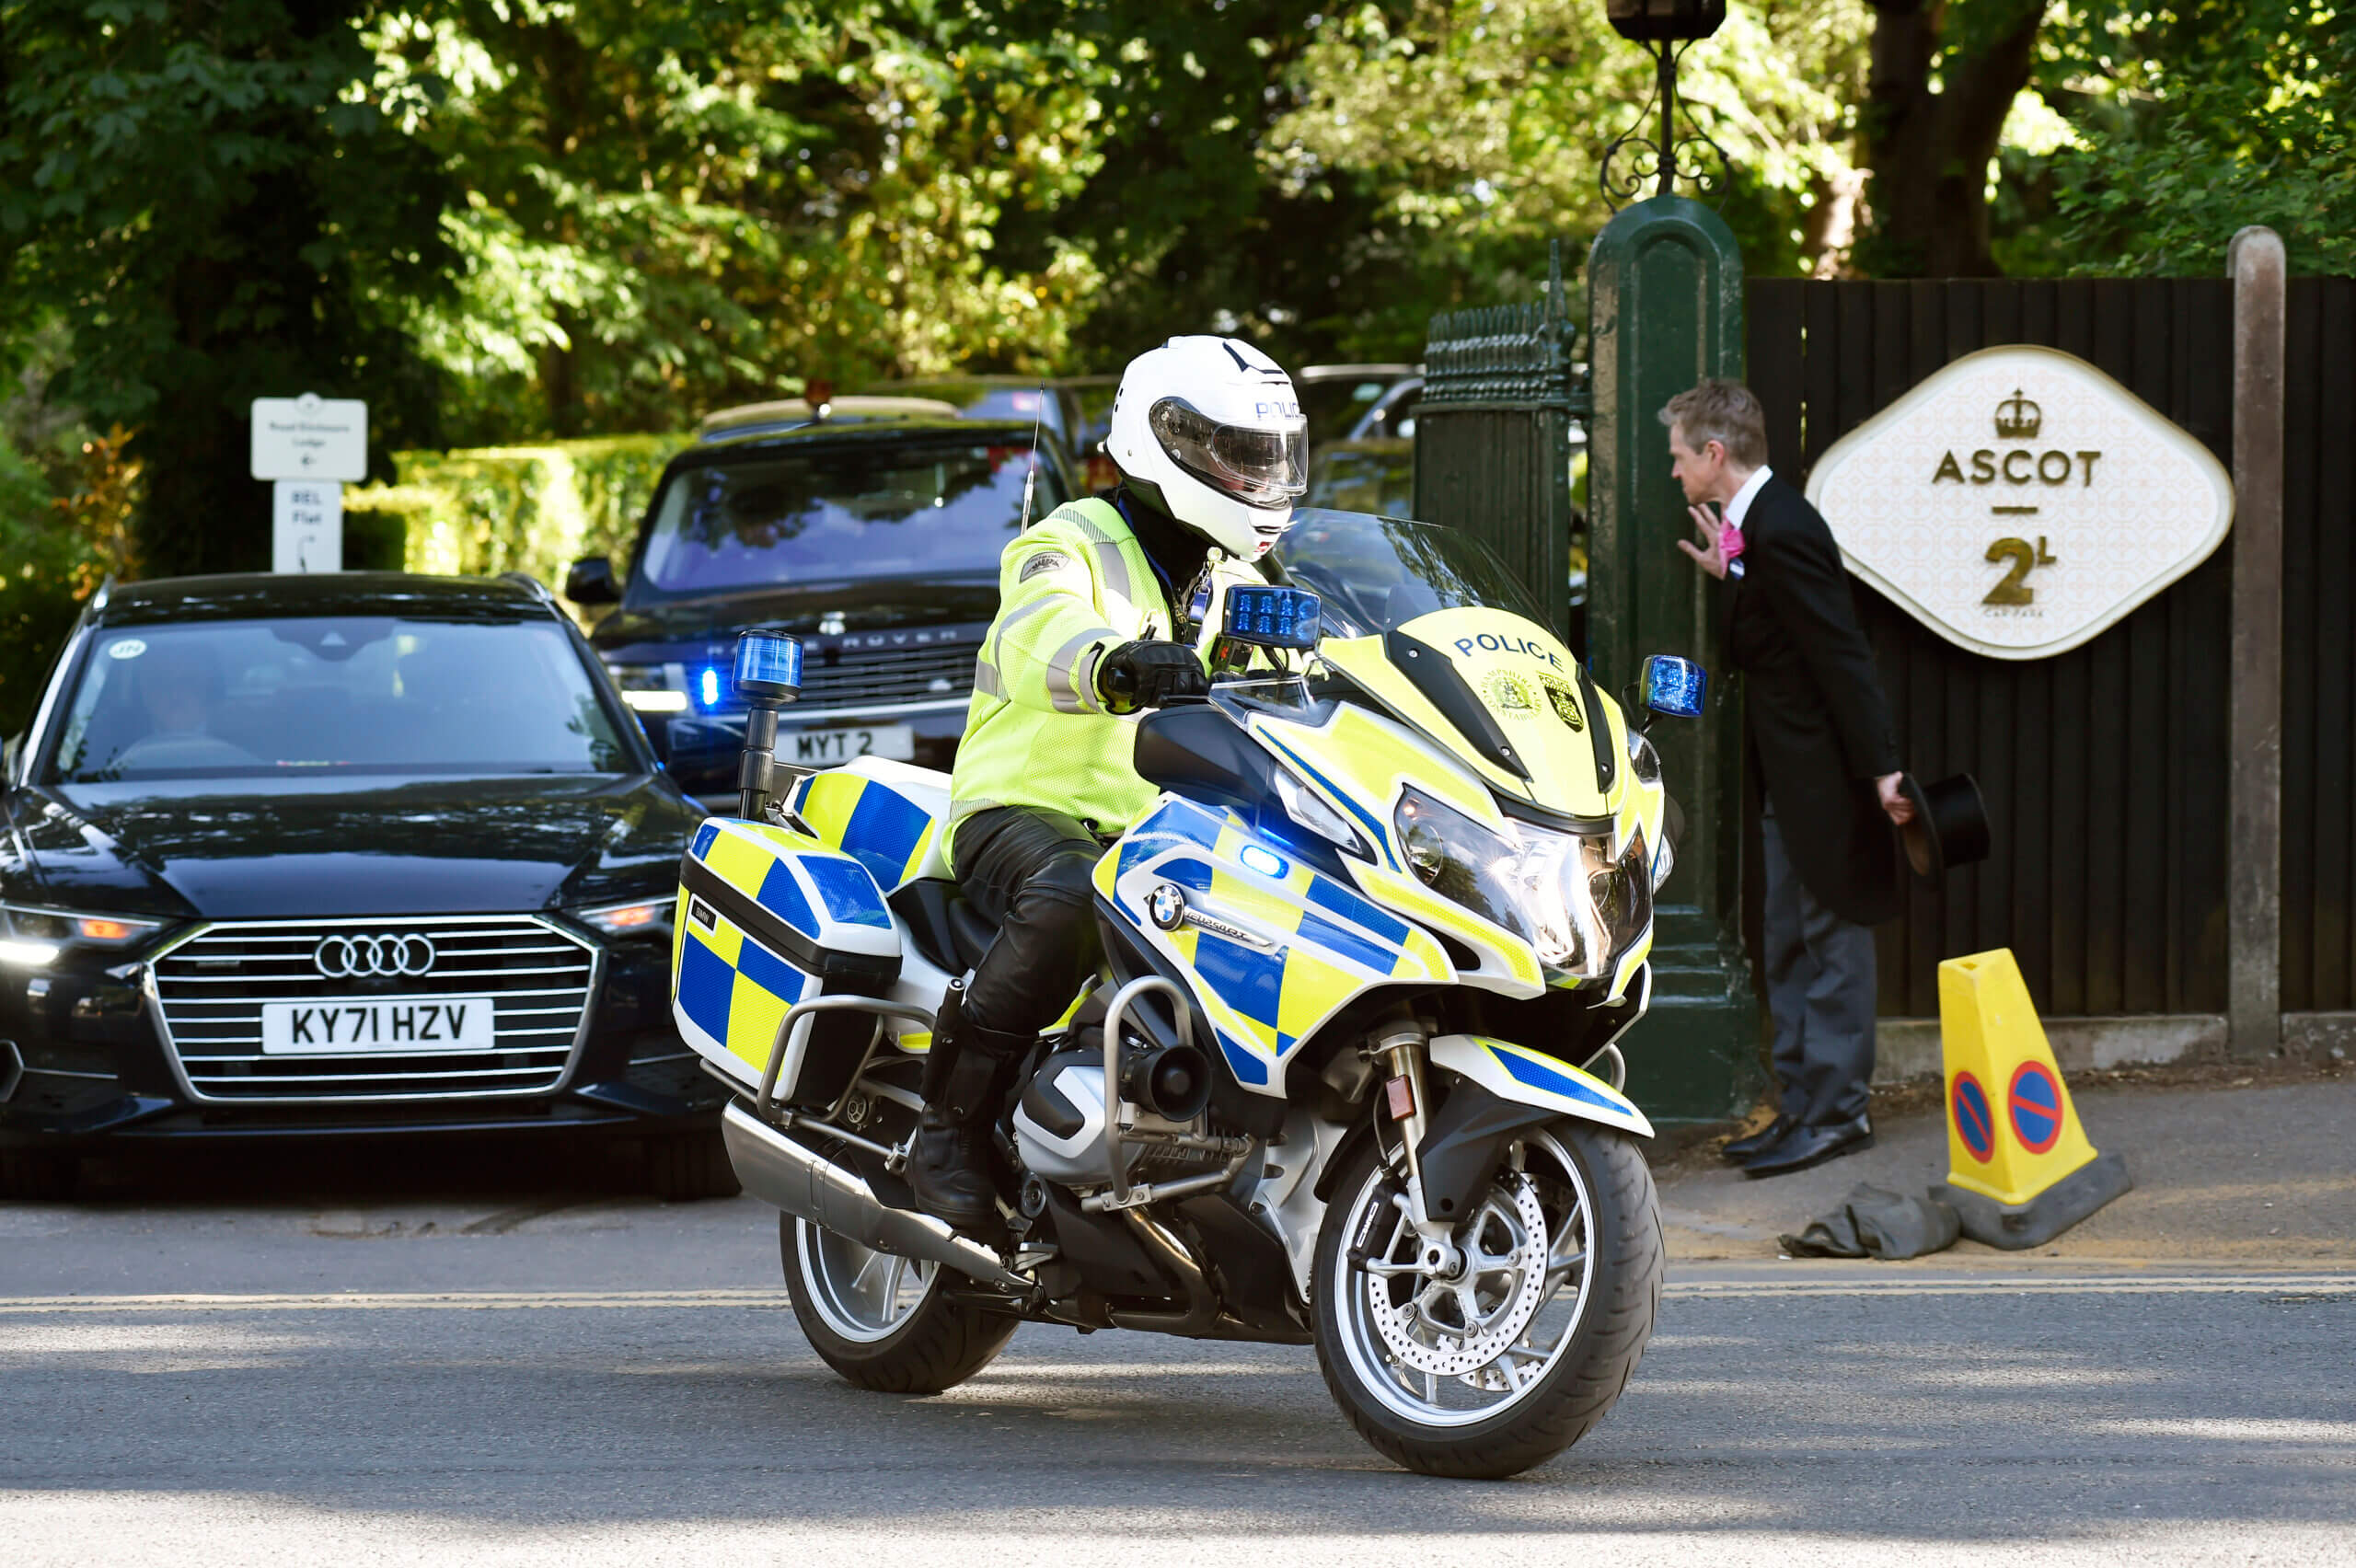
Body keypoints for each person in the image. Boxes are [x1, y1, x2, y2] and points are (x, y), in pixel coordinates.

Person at [908, 335, 1309, 1233]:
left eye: (1267, 458)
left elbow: (1330, 675)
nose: (1256, 476)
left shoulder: (1241, 577)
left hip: (1169, 829)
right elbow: (1037, 633)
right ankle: (947, 1127)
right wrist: (1114, 663)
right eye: (1236, 455)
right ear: (1160, 443)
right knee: (1071, 898)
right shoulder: (1068, 542)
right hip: (1026, 808)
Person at [1667, 380, 1913, 1179]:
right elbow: (1779, 624)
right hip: (1789, 778)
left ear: (1714, 454)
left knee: (1830, 942)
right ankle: (1804, 1107)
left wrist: (1882, 772)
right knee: (1789, 942)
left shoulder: (1786, 526)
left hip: (1827, 780)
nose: (1674, 474)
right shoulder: (1757, 532)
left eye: (1679, 457)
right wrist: (1728, 572)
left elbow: (1841, 652)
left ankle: (1839, 1115)